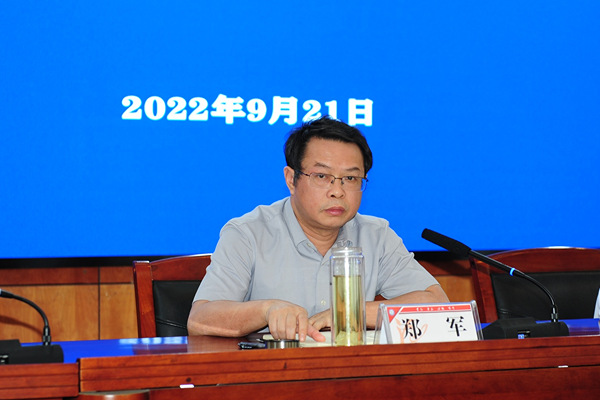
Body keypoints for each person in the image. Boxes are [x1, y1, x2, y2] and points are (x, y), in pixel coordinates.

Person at [187, 116, 449, 342]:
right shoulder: (248, 233)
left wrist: (350, 314)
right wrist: (267, 310)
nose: (337, 191)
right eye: (322, 176)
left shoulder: (376, 236)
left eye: (350, 178)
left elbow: (437, 303)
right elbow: (199, 320)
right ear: (291, 179)